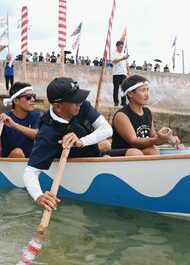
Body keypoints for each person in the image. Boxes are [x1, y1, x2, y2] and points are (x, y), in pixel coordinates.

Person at [22, 77, 138, 210]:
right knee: (99, 141)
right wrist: (38, 196)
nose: (80, 102)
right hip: (71, 159)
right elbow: (30, 172)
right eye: (74, 101)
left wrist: (81, 141)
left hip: (92, 152)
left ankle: (103, 157)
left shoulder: (81, 105)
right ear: (58, 106)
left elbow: (107, 129)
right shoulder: (47, 132)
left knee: (133, 152)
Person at [112, 75, 184, 155]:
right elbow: (133, 141)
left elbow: (153, 137)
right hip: (123, 153)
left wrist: (168, 139)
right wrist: (158, 140)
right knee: (150, 151)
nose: (147, 94)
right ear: (130, 94)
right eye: (143, 90)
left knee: (180, 147)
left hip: (140, 150)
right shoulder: (121, 115)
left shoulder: (147, 112)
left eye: (147, 90)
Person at [0, 82, 40, 160]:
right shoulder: (3, 119)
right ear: (16, 101)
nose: (32, 100)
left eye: (33, 96)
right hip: (7, 162)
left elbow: (38, 134)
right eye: (28, 97)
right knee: (17, 152)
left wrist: (15, 126)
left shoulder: (36, 116)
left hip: (29, 161)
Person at [111, 41, 131, 107]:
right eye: (120, 47)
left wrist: (129, 71)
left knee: (124, 89)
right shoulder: (113, 53)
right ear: (117, 46)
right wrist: (122, 58)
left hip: (124, 73)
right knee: (116, 88)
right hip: (116, 73)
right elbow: (114, 61)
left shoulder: (124, 54)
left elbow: (127, 64)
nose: (122, 48)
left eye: (122, 47)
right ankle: (116, 102)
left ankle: (123, 102)